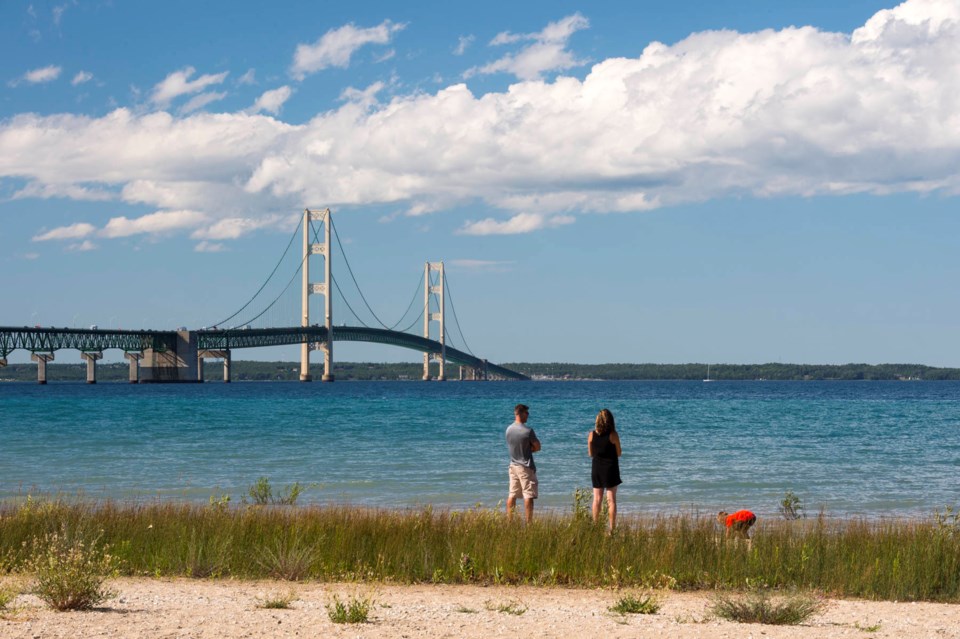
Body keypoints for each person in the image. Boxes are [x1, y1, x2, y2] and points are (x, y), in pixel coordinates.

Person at [505, 403, 541, 522]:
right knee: (528, 495)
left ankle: (510, 521)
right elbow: (537, 446)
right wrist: (529, 449)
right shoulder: (528, 431)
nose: (528, 415)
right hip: (525, 466)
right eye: (527, 413)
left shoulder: (508, 429)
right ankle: (529, 523)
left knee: (512, 494)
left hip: (513, 465)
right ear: (520, 413)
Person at [588, 408, 622, 530]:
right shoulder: (613, 435)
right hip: (610, 469)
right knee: (611, 500)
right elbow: (619, 453)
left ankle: (596, 527)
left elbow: (590, 453)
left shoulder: (591, 435)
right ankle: (612, 529)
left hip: (596, 469)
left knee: (597, 499)